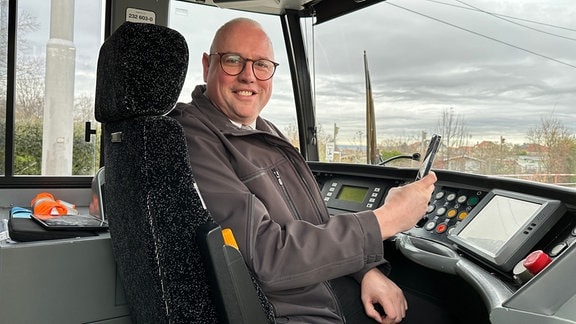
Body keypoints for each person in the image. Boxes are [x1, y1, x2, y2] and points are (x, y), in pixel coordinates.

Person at [170, 17, 448, 324]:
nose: (249, 76)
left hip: (326, 287)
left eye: (261, 64)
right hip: (295, 312)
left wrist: (365, 270)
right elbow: (267, 257)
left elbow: (312, 220)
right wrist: (386, 219)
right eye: (233, 61)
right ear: (208, 65)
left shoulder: (264, 131)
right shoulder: (193, 140)